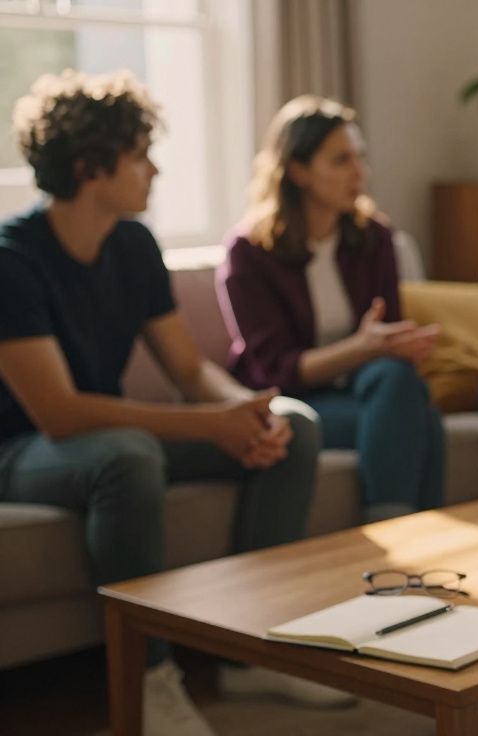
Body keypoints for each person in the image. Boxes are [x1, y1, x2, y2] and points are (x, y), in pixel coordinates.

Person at [0, 72, 347, 736]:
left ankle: (256, 650)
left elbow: (189, 368)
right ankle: (148, 680)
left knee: (296, 427)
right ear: (90, 168)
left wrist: (247, 409)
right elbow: (59, 413)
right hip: (20, 451)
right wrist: (207, 425)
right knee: (127, 457)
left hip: (96, 437)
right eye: (140, 155)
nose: (155, 170)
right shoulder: (12, 260)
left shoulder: (132, 243)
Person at [219, 95, 445, 522]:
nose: (360, 172)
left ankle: (399, 533)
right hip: (293, 404)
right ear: (299, 171)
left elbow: (387, 340)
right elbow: (274, 371)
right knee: (421, 421)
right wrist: (362, 348)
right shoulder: (249, 252)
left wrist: (398, 345)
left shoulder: (374, 237)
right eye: (341, 160)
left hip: (368, 391)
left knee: (398, 383)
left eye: (359, 157)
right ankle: (407, 535)